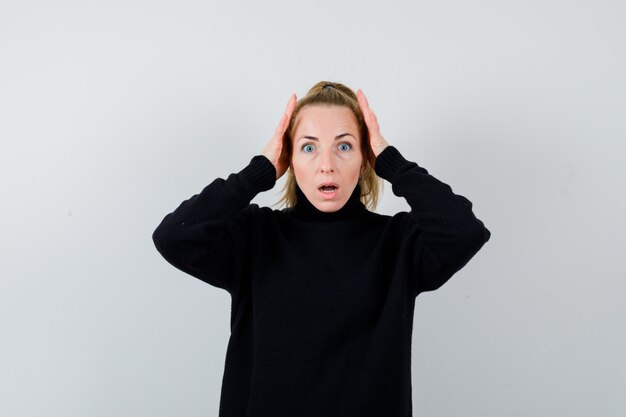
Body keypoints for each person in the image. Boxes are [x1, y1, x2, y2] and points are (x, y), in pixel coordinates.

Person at [152, 81, 491, 417]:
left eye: (344, 147)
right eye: (309, 147)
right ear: (289, 158)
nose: (326, 164)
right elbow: (174, 237)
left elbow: (465, 232)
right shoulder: (255, 235)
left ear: (365, 158)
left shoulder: (398, 242)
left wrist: (392, 163)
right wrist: (258, 172)